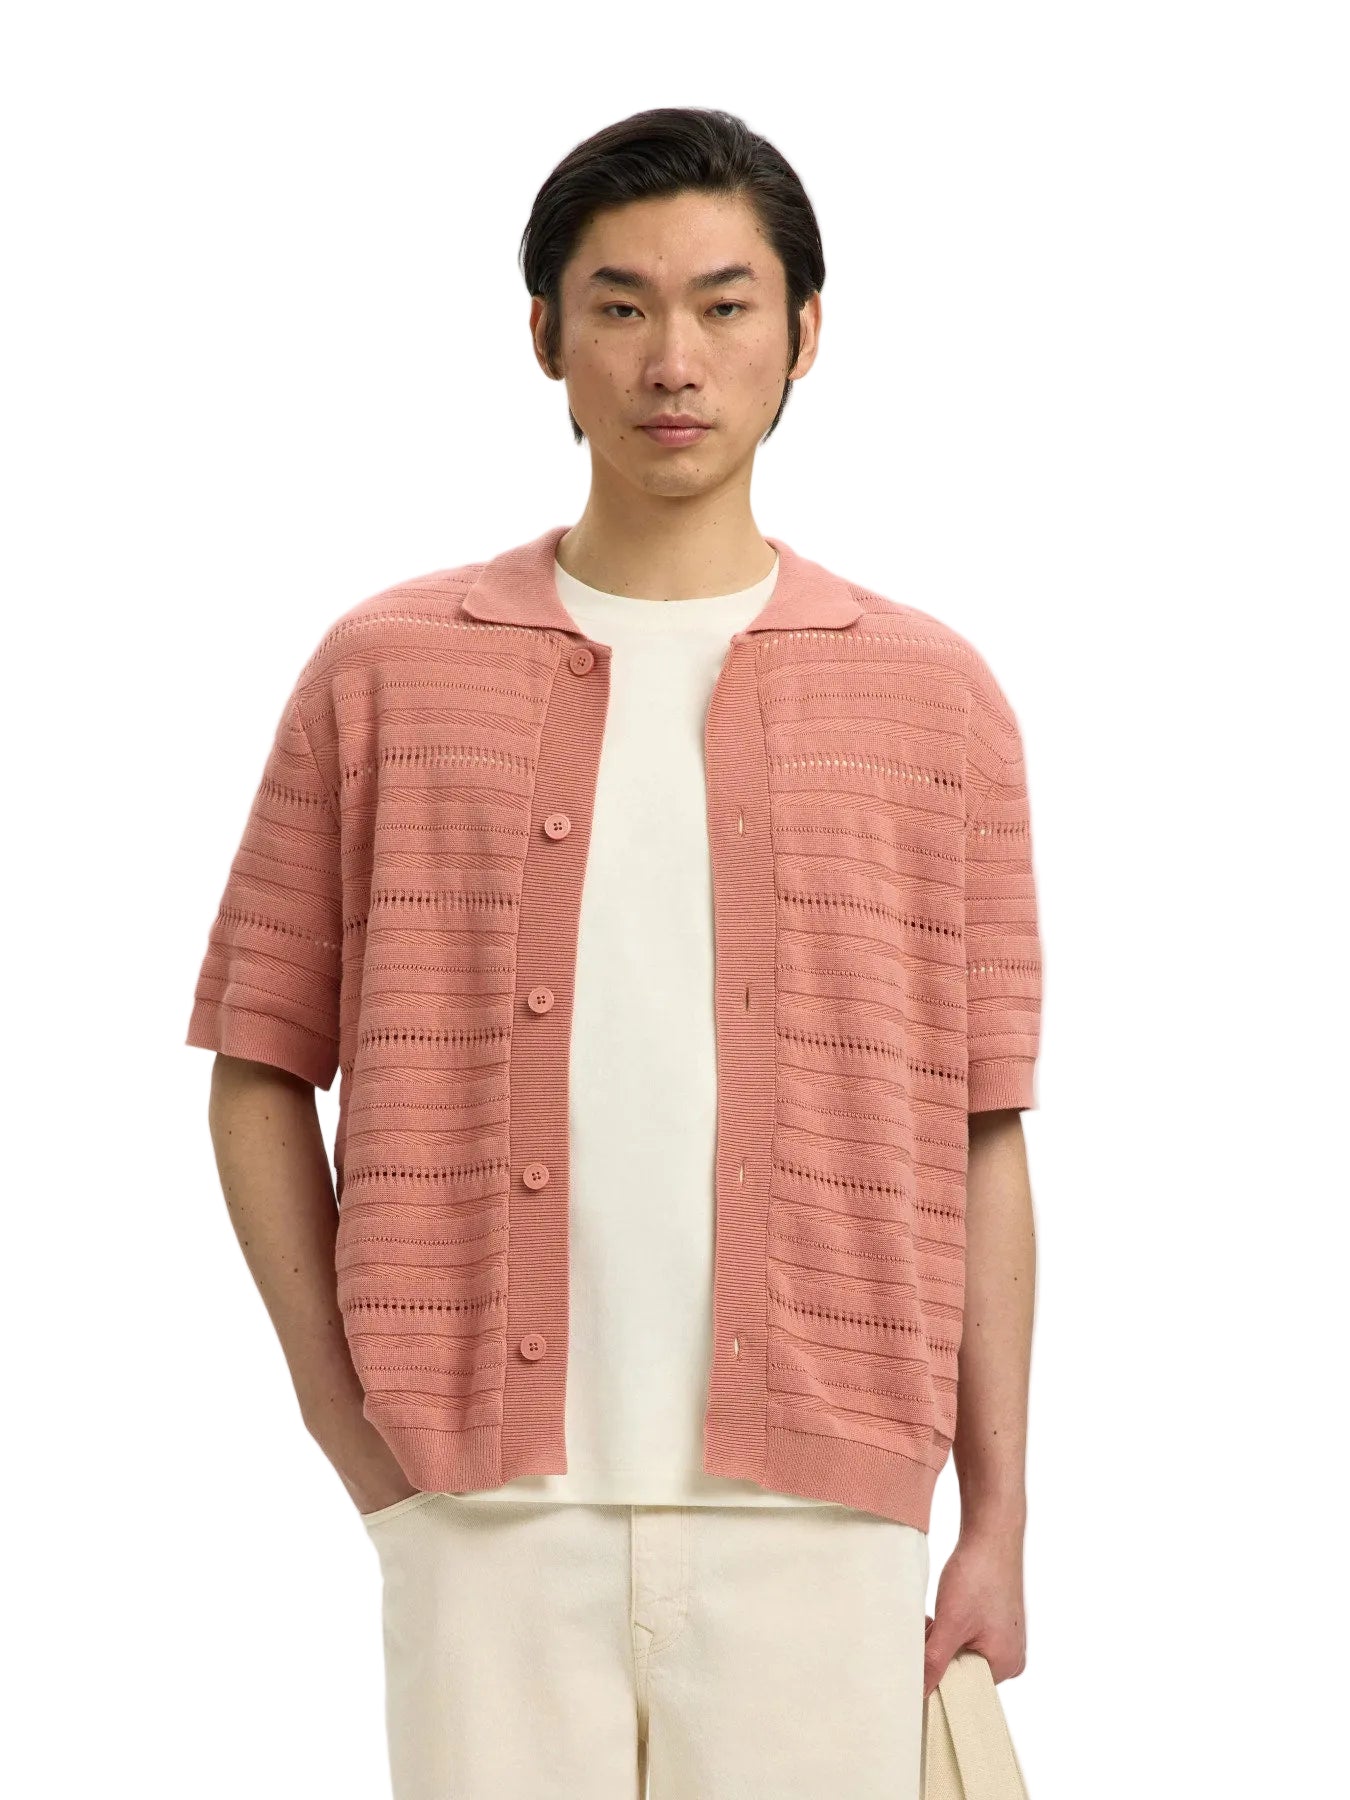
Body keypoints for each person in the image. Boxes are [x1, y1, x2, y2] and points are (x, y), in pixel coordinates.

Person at [186, 105, 1043, 1800]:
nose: (674, 360)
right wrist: (351, 1431)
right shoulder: (388, 671)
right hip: (484, 1511)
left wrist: (996, 1516)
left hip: (824, 1517)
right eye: (621, 305)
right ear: (544, 338)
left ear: (804, 333)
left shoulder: (930, 700)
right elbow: (258, 1065)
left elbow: (981, 1126)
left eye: (724, 305)